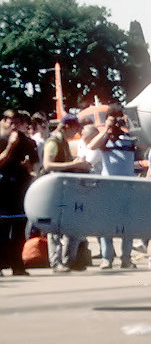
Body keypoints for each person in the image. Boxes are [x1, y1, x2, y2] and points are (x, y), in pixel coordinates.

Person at [82, 104, 138, 269]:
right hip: (108, 188)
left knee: (127, 224)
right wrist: (106, 130)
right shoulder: (104, 140)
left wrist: (127, 126)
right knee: (107, 224)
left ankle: (126, 258)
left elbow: (142, 143)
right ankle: (107, 258)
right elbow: (91, 146)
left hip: (127, 187)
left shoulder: (128, 138)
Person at [41, 116, 90, 271]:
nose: (76, 132)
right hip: (54, 189)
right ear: (67, 126)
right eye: (75, 128)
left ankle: (69, 260)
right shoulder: (53, 142)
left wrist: (77, 163)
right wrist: (73, 164)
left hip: (63, 189)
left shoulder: (63, 143)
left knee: (70, 224)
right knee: (55, 226)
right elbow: (47, 165)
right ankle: (56, 262)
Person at [1, 110, 40, 276]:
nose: (13, 124)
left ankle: (17, 264)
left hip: (19, 189)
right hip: (2, 188)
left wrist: (29, 168)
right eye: (10, 120)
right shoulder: (2, 140)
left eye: (16, 121)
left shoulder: (28, 142)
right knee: (2, 230)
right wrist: (10, 146)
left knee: (18, 228)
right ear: (3, 121)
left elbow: (35, 165)